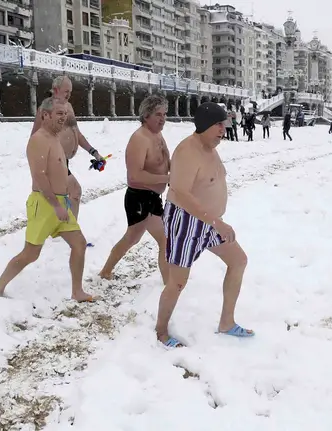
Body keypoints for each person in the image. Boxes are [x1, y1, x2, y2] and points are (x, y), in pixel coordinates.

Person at [155, 102, 253, 348]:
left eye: (224, 124)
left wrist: (214, 220)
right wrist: (215, 221)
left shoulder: (210, 146)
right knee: (177, 282)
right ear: (205, 126)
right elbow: (181, 191)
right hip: (186, 221)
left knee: (238, 260)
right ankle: (161, 331)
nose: (224, 129)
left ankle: (227, 322)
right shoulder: (188, 151)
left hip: (209, 222)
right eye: (219, 124)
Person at [0, 97, 93, 302]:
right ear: (45, 115)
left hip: (60, 203)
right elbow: (40, 175)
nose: (63, 118)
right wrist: (55, 205)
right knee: (30, 253)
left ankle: (77, 291)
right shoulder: (39, 139)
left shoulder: (54, 137)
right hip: (45, 205)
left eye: (65, 114)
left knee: (79, 243)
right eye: (59, 114)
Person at [99, 95, 170, 282]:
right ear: (146, 115)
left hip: (152, 197)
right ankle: (168, 282)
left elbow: (165, 161)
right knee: (159, 239)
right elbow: (135, 175)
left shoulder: (158, 135)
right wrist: (167, 178)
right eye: (158, 114)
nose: (163, 118)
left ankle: (106, 271)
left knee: (134, 238)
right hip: (139, 197)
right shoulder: (139, 139)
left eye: (164, 114)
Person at [31, 75, 104, 220]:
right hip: (53, 161)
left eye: (70, 92)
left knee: (62, 196)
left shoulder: (68, 107)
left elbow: (77, 133)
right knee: (75, 191)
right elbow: (34, 137)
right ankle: (70, 230)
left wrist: (93, 152)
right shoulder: (45, 109)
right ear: (56, 89)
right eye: (66, 92)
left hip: (64, 160)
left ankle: (60, 229)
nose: (69, 95)